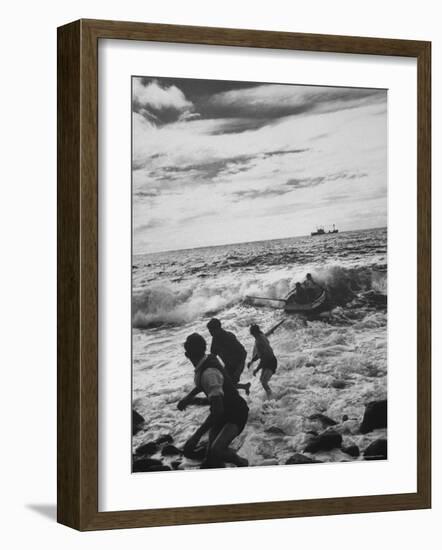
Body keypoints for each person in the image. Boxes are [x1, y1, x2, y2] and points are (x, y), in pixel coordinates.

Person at [178, 333, 249, 468]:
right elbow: (202, 384)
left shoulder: (208, 373)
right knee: (211, 460)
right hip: (224, 411)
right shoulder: (207, 360)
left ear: (186, 355)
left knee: (217, 450)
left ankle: (243, 463)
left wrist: (197, 435)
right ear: (204, 349)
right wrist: (187, 398)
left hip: (236, 413)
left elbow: (218, 410)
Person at [207, 318, 251, 395]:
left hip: (238, 365)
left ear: (218, 329)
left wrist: (238, 371)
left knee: (229, 389)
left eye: (211, 331)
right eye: (209, 331)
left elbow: (244, 353)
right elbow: (213, 355)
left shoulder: (229, 337)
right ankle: (245, 387)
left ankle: (243, 390)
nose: (210, 334)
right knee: (223, 387)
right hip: (228, 366)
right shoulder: (215, 339)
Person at [247, 324, 278, 399]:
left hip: (270, 362)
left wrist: (256, 369)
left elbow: (263, 358)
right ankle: (270, 395)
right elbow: (259, 354)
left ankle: (272, 398)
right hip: (270, 359)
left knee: (264, 382)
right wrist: (252, 361)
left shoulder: (259, 342)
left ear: (253, 333)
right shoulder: (261, 335)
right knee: (262, 381)